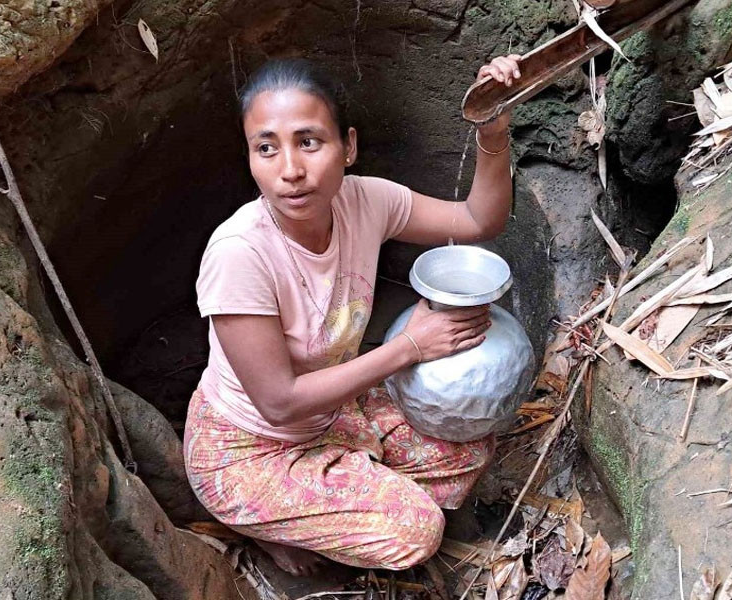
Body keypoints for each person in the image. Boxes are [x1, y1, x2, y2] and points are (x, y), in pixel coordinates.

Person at [183, 54, 522, 576]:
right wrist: (409, 348)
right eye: (266, 148)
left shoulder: (367, 201)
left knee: (468, 445)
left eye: (309, 141)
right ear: (249, 157)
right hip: (249, 450)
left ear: (350, 146)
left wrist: (492, 128)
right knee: (417, 530)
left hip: (335, 414)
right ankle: (257, 520)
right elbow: (278, 403)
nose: (290, 170)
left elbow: (478, 220)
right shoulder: (238, 253)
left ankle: (333, 498)